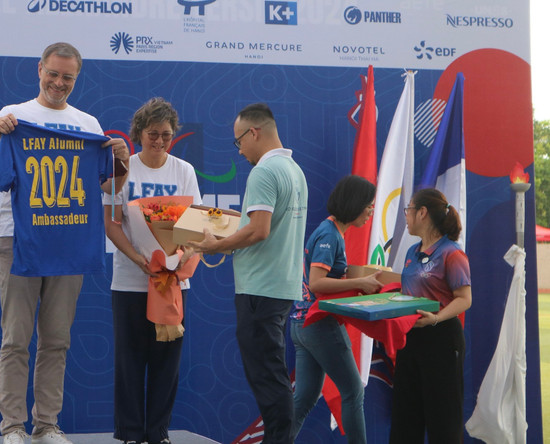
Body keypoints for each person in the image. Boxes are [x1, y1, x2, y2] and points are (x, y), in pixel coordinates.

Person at [0, 42, 129, 444]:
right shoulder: (13, 116)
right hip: (19, 240)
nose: (59, 82)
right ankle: (13, 427)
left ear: (77, 78)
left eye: (67, 77)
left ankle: (47, 425)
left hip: (70, 242)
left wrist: (122, 160)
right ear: (39, 70)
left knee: (57, 339)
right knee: (16, 338)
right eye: (53, 73)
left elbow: (109, 188)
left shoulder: (90, 125)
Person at [190, 103, 308, 444]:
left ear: (253, 133)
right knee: (271, 375)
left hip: (261, 289)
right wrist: (225, 223)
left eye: (239, 141)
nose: (239, 150)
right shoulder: (293, 170)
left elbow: (258, 230)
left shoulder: (264, 172)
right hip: (279, 287)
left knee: (268, 378)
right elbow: (256, 223)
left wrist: (214, 246)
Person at [102, 97, 202, 444]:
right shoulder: (122, 168)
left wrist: (178, 259)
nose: (159, 141)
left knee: (166, 363)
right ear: (138, 133)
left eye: (166, 135)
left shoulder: (183, 171)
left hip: (172, 284)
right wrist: (139, 260)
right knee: (129, 363)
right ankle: (130, 433)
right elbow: (112, 224)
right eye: (152, 134)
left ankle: (158, 432)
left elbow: (196, 227)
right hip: (131, 282)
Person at [289, 175, 382, 444]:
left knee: (304, 398)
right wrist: (361, 282)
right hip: (318, 324)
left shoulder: (330, 232)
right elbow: (318, 282)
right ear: (354, 204)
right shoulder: (330, 234)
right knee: (353, 392)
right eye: (368, 206)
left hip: (302, 325)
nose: (371, 212)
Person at [389, 188, 472, 443]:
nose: (407, 216)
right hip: (410, 338)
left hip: (442, 340)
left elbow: (464, 299)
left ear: (422, 213)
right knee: (406, 416)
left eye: (409, 210)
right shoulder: (412, 252)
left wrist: (435, 318)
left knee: (443, 419)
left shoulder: (452, 253)